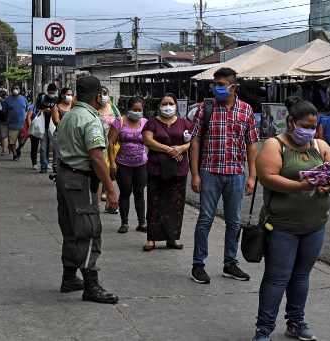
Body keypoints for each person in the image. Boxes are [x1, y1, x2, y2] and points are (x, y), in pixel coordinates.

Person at [251, 97, 330, 341]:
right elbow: (268, 177)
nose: (308, 131)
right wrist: (300, 185)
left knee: (301, 276)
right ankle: (263, 329)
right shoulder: (274, 145)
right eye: (304, 125)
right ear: (290, 122)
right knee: (276, 278)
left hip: (315, 225)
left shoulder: (320, 145)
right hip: (282, 226)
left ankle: (296, 321)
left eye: (312, 126)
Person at [190, 67, 259, 284]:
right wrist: (195, 174)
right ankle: (198, 265)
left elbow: (251, 145)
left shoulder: (246, 110)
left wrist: (252, 176)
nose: (216, 88)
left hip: (236, 174)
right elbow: (195, 140)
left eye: (221, 84)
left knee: (234, 221)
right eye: (215, 84)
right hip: (209, 172)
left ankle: (231, 263)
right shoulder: (206, 108)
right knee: (205, 220)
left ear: (233, 86)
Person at [56, 75, 119, 304]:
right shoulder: (90, 120)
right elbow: (97, 158)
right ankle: (91, 286)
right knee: (89, 231)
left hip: (65, 177)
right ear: (97, 96)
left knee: (71, 230)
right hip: (81, 181)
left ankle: (69, 277)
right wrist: (111, 190)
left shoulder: (69, 116)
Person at [141, 93, 191, 251]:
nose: (167, 106)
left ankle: (173, 238)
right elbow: (148, 140)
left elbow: (193, 141)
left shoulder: (185, 123)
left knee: (175, 204)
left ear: (176, 105)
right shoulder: (152, 123)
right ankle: (152, 238)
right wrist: (168, 149)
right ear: (159, 106)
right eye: (164, 103)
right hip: (157, 169)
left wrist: (182, 148)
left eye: (170, 103)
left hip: (179, 169)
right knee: (155, 203)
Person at [108, 96, 148, 234]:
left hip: (141, 163)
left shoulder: (145, 123)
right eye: (134, 109)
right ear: (128, 109)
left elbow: (151, 141)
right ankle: (124, 223)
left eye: (139, 110)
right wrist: (112, 162)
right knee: (125, 193)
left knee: (140, 193)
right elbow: (111, 143)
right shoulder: (119, 122)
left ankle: (142, 222)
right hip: (123, 164)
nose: (137, 112)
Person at [97, 86, 120, 213]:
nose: (103, 96)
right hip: (99, 146)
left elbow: (120, 122)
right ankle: (96, 206)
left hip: (112, 146)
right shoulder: (94, 110)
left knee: (112, 174)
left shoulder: (113, 108)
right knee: (100, 175)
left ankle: (110, 205)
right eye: (101, 94)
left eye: (105, 93)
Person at [49, 87, 73, 180]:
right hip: (60, 135)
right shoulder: (56, 107)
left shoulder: (74, 106)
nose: (70, 97)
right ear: (63, 96)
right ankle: (59, 176)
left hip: (72, 135)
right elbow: (56, 122)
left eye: (71, 95)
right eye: (68, 95)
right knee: (60, 156)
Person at [36, 83, 60, 173]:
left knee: (55, 148)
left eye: (54, 92)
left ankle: (55, 166)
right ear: (48, 91)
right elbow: (37, 109)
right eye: (51, 92)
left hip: (55, 126)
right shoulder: (43, 98)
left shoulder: (58, 99)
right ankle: (44, 166)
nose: (52, 93)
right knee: (43, 147)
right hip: (44, 125)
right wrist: (44, 110)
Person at [4, 85, 28, 161]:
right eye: (13, 88)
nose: (15, 90)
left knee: (23, 140)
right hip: (12, 125)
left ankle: (19, 149)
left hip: (22, 125)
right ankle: (15, 155)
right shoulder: (7, 100)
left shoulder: (23, 99)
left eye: (17, 88)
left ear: (19, 90)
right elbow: (5, 111)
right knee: (12, 141)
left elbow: (26, 109)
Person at [0, 91, 9, 156]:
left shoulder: (9, 102)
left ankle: (9, 147)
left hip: (9, 120)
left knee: (9, 136)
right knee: (2, 136)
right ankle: (4, 149)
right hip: (2, 121)